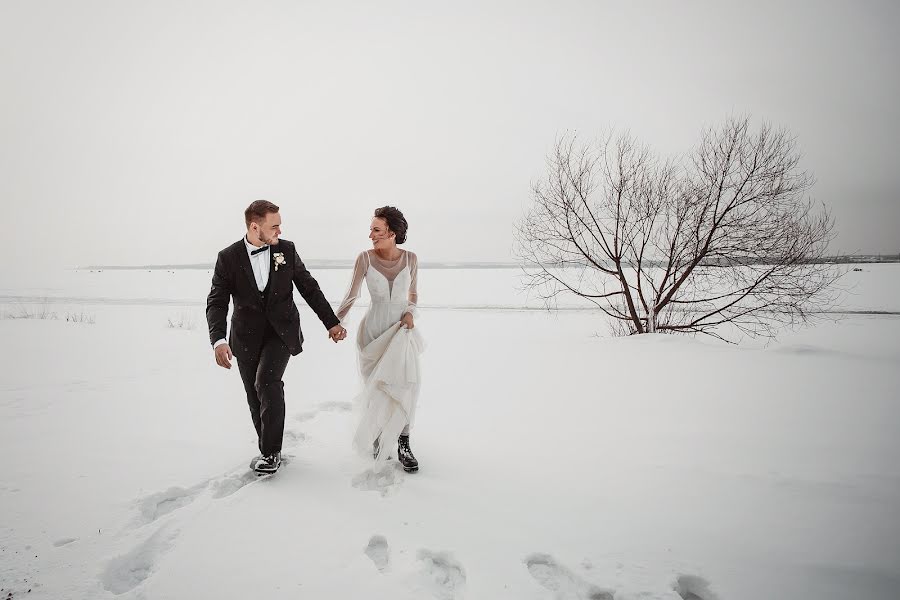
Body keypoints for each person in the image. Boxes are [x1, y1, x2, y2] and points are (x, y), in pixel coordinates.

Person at [206, 200, 347, 474]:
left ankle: (271, 453)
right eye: (275, 226)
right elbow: (217, 301)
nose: (279, 231)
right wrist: (218, 339)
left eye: (280, 225)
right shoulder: (228, 257)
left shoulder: (287, 250)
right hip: (244, 337)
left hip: (282, 332)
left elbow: (309, 287)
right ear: (255, 226)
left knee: (267, 381)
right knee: (253, 393)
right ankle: (267, 445)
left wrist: (331, 323)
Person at [336, 206, 424, 473]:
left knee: (408, 385)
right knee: (376, 389)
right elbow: (351, 295)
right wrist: (336, 322)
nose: (370, 235)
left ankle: (403, 442)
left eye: (376, 230)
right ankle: (379, 435)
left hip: (401, 330)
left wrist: (410, 313)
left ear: (393, 233)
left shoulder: (411, 259)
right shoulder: (365, 258)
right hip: (373, 333)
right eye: (371, 229)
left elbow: (413, 295)